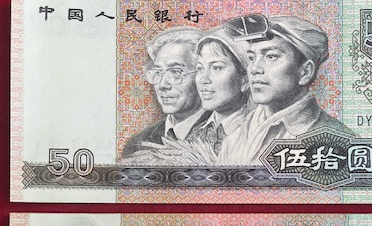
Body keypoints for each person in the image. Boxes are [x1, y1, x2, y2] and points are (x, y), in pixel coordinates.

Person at [218, 15, 354, 165]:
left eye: (271, 56)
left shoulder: (337, 140)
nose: (254, 69)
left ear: (305, 72)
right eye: (251, 58)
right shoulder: (236, 136)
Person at [121, 27, 212, 159]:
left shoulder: (224, 138)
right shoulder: (138, 144)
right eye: (158, 72)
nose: (163, 85)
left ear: (201, 75)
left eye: (176, 72)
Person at [192, 27, 253, 158]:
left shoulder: (255, 133)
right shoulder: (196, 133)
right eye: (200, 68)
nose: (203, 79)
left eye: (216, 68)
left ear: (245, 80)